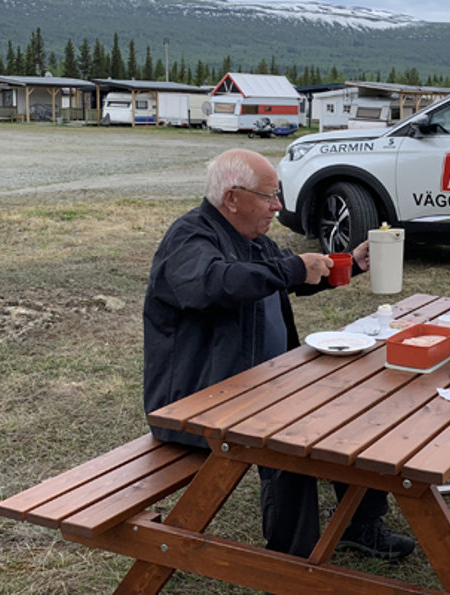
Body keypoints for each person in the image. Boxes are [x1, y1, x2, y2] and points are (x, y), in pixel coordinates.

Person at [142, 148, 415, 561]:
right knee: (292, 436)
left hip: (259, 385)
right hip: (198, 401)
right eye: (268, 196)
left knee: (350, 408)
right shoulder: (190, 239)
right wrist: (290, 269)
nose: (278, 206)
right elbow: (219, 283)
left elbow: (293, 273)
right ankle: (290, 563)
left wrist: (352, 264)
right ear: (232, 198)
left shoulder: (251, 240)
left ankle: (361, 523)